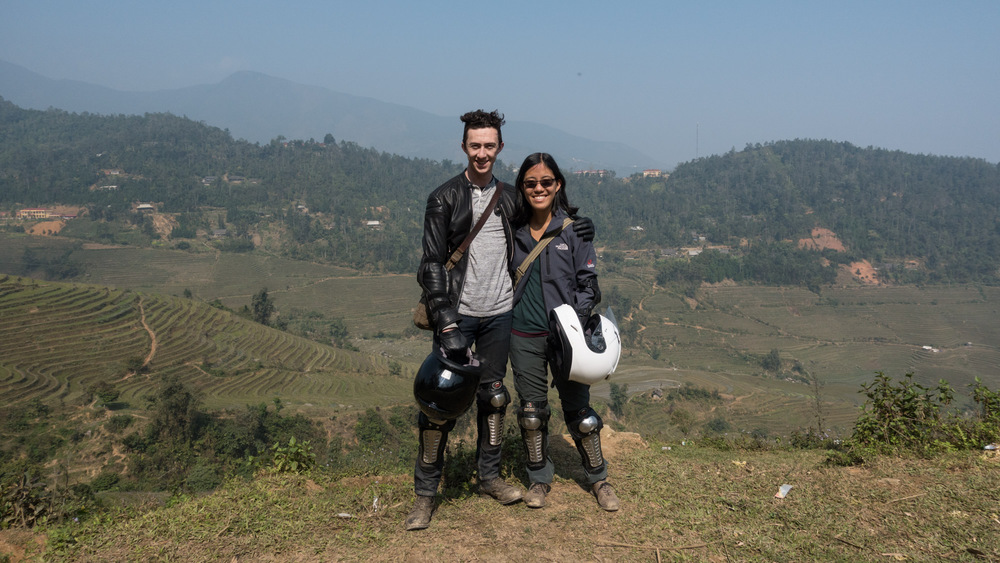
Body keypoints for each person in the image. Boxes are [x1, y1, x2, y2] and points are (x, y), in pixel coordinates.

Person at [407, 111, 594, 530]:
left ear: (500, 149)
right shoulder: (444, 198)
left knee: (493, 399)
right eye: (475, 145)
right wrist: (446, 319)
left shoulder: (509, 196)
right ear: (463, 147)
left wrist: (579, 224)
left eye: (489, 146)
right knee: (439, 407)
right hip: (458, 315)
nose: (482, 153)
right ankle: (425, 494)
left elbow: (544, 216)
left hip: (499, 315)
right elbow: (432, 264)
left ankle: (488, 476)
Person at [508, 152, 620, 511]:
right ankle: (539, 478)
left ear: (558, 185)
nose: (538, 188)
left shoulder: (575, 231)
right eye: (530, 183)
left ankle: (599, 478)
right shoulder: (512, 231)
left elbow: (589, 284)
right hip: (523, 333)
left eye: (546, 182)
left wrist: (576, 322)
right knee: (531, 412)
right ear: (522, 188)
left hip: (567, 340)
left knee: (581, 415)